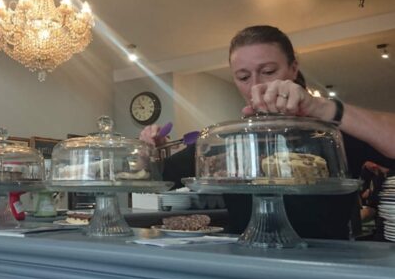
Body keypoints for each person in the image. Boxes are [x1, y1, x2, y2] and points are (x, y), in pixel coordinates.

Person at [141, 25, 395, 239]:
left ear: (294, 69)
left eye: (269, 71)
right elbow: (160, 177)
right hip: (249, 266)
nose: (257, 85)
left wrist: (321, 107)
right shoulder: (228, 140)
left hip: (327, 267)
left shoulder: (330, 134)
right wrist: (152, 152)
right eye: (243, 76)